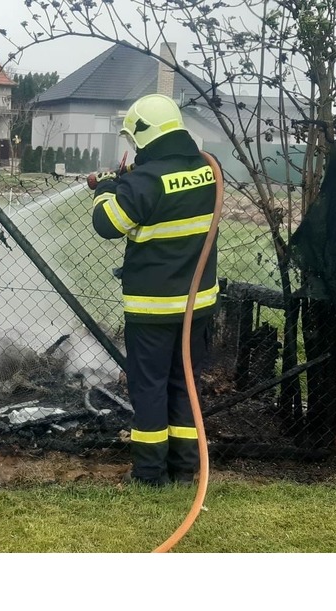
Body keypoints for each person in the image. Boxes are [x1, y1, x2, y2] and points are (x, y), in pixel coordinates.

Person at [90, 94, 220, 487]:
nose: (132, 147)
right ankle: (183, 470)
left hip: (153, 311)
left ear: (145, 135)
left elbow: (108, 223)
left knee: (149, 388)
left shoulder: (144, 182)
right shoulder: (207, 170)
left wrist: (107, 188)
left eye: (134, 139)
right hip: (197, 306)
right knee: (184, 385)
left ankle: (149, 475)